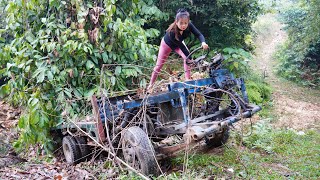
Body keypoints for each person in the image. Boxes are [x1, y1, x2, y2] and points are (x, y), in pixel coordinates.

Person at [147, 8, 209, 91]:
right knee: (159, 66)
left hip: (178, 43)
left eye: (185, 23)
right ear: (176, 22)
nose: (183, 25)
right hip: (167, 45)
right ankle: (150, 85)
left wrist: (203, 42)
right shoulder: (172, 32)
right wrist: (191, 60)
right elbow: (182, 47)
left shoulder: (189, 25)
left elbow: (199, 34)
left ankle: (188, 79)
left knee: (186, 58)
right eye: (181, 23)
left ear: (188, 22)